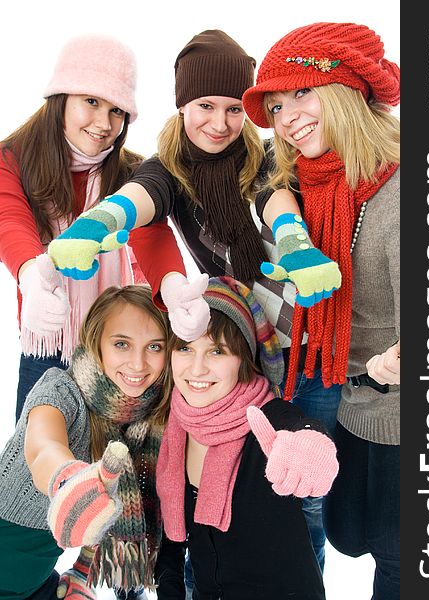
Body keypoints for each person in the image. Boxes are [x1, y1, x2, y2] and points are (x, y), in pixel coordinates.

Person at [47, 30, 341, 571]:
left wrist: (296, 246)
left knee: (303, 501)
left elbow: (273, 199)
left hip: (308, 353)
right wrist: (94, 225)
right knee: (221, 493)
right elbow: (137, 199)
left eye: (234, 108)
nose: (220, 122)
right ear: (183, 104)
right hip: (242, 357)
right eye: (206, 105)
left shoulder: (264, 157)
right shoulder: (168, 169)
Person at [242, 22, 400, 599]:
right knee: (345, 532)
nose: (287, 118)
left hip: (408, 417)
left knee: (400, 553)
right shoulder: (308, 179)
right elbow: (243, 165)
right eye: (277, 105)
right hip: (347, 395)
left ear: (346, 90)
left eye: (301, 93)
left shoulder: (408, 191)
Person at [0, 33, 184, 424]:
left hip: (125, 345)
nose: (104, 123)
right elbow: (9, 220)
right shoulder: (11, 160)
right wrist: (32, 279)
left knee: (127, 468)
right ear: (60, 98)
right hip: (50, 340)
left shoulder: (133, 173)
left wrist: (174, 286)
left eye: (117, 111)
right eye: (92, 102)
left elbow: (151, 234)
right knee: (38, 470)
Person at [156, 275, 339, 600]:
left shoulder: (267, 418)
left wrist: (311, 449)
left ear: (245, 358)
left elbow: (305, 433)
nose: (196, 369)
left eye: (217, 351)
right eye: (185, 348)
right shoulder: (175, 425)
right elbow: (170, 544)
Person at [0, 285, 186, 600]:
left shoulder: (150, 413)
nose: (138, 364)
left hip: (36, 584)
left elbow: (107, 508)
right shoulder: (60, 389)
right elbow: (43, 447)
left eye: (154, 346)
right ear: (95, 341)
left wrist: (81, 573)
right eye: (122, 344)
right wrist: (67, 478)